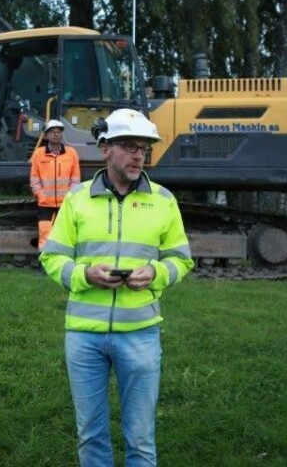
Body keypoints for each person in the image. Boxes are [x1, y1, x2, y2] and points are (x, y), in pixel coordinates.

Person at [39, 108, 194, 466]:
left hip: (140, 335)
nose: (139, 154)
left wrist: (155, 273)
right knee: (90, 435)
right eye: (128, 145)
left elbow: (181, 259)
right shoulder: (77, 199)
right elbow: (51, 258)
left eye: (144, 148)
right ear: (105, 149)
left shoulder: (163, 200)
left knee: (140, 439)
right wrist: (85, 275)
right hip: (84, 338)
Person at [29, 118, 81, 249]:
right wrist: (40, 195)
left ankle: (63, 259)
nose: (56, 134)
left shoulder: (71, 153)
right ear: (46, 135)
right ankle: (44, 260)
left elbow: (75, 178)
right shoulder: (39, 153)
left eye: (58, 132)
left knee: (65, 233)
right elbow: (34, 178)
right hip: (45, 204)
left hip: (65, 203)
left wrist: (71, 196)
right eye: (52, 132)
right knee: (45, 233)